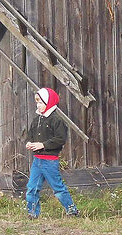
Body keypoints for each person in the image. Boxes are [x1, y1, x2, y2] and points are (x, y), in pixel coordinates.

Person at [25, 87, 80, 219]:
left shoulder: (56, 120)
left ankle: (72, 210)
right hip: (37, 160)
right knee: (32, 188)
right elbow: (31, 135)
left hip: (50, 161)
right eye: (37, 103)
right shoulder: (36, 120)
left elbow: (60, 139)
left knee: (58, 188)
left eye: (41, 102)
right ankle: (32, 213)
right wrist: (29, 142)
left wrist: (43, 145)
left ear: (49, 102)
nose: (38, 105)